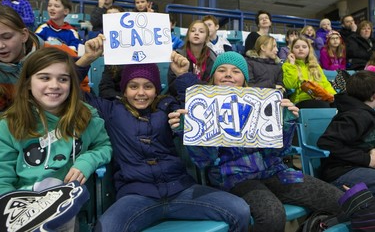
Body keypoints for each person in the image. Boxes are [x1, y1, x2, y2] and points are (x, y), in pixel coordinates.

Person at [168, 51, 344, 232]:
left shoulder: (261, 102)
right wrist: (192, 131)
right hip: (233, 177)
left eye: (236, 71)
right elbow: (204, 160)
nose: (228, 74)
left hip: (276, 170)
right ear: (213, 77)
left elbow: (279, 152)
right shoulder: (203, 107)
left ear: (244, 79)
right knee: (272, 215)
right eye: (221, 70)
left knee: (341, 199)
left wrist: (285, 123)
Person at [85, 61, 250, 232]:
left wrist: (183, 75)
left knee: (240, 210)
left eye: (148, 86)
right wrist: (87, 59)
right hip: (136, 196)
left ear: (156, 89)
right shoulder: (111, 110)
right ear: (124, 91)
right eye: (133, 86)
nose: (141, 93)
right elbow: (74, 94)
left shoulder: (167, 106)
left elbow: (201, 102)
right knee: (106, 228)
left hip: (181, 190)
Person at [0, 47, 112, 229]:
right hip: (23, 206)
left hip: (67, 202)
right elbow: (3, 180)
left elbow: (104, 146)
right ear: (28, 83)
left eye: (63, 79)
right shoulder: (9, 124)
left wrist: (86, 161)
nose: (54, 85)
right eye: (44, 78)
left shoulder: (86, 115)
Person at [0, 5, 96, 112]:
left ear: (24, 35)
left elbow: (82, 94)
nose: (1, 46)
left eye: (7, 37)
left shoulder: (60, 53)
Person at [317, 71, 375, 194]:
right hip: (341, 172)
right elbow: (327, 142)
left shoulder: (364, 113)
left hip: (357, 167)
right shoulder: (356, 116)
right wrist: (367, 159)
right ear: (372, 96)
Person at [282, 37, 336, 108]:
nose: (301, 49)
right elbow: (290, 85)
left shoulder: (315, 66)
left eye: (304, 47)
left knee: (339, 103)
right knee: (323, 106)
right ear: (292, 50)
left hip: (320, 99)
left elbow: (325, 84)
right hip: (300, 101)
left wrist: (334, 96)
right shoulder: (287, 65)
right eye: (297, 47)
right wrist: (292, 64)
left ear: (309, 50)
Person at [167, 19, 216, 96]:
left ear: (207, 38)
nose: (196, 33)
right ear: (188, 36)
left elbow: (212, 86)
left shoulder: (213, 58)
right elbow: (172, 87)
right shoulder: (178, 56)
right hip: (181, 97)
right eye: (193, 31)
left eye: (201, 31)